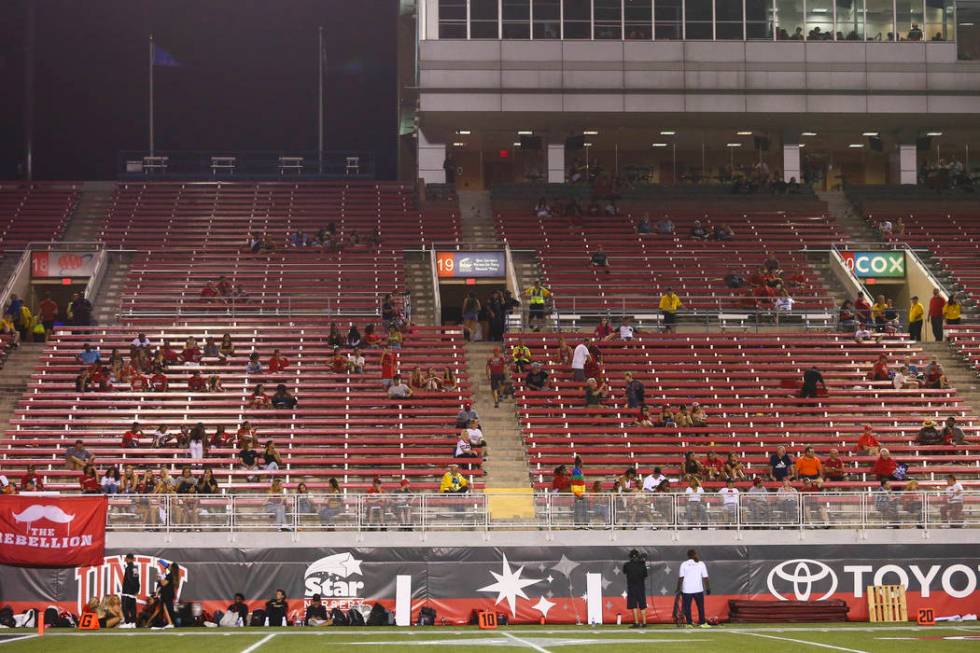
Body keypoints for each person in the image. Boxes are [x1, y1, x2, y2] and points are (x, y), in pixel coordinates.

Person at [676, 549, 711, 628]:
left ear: (688, 556)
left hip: (687, 590)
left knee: (687, 607)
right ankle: (702, 623)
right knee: (700, 607)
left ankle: (689, 623)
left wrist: (678, 588)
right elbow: (705, 578)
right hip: (698, 589)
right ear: (695, 554)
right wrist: (708, 588)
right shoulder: (701, 564)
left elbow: (680, 578)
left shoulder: (684, 564)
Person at [623, 549, 648, 628]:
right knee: (642, 605)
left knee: (634, 605)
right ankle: (644, 623)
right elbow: (645, 575)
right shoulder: (642, 565)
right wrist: (642, 563)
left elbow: (624, 571)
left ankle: (636, 623)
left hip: (632, 588)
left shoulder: (627, 565)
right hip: (640, 587)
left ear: (630, 557)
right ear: (638, 556)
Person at [120, 553, 140, 626]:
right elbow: (137, 580)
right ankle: (133, 623)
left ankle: (127, 622)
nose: (125, 560)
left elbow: (129, 580)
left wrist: (128, 590)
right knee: (132, 608)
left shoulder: (128, 568)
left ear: (128, 559)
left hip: (127, 592)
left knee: (125, 608)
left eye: (126, 558)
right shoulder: (135, 568)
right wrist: (136, 590)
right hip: (133, 593)